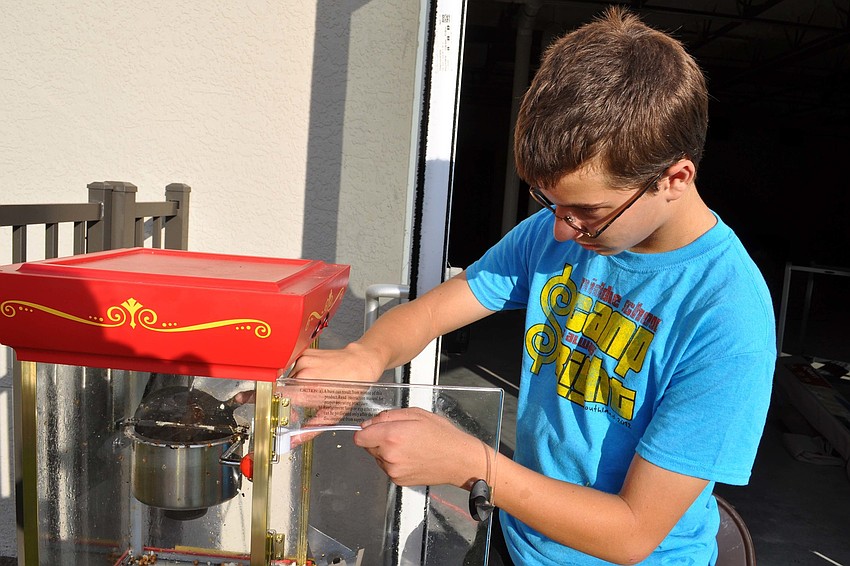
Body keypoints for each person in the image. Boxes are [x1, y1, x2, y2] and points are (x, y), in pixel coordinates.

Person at [291, 6, 775, 565]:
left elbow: (632, 533)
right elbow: (427, 316)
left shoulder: (728, 317)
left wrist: (474, 464)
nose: (560, 229)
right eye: (549, 202)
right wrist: (364, 355)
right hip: (515, 538)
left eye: (587, 210)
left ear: (674, 178)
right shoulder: (561, 232)